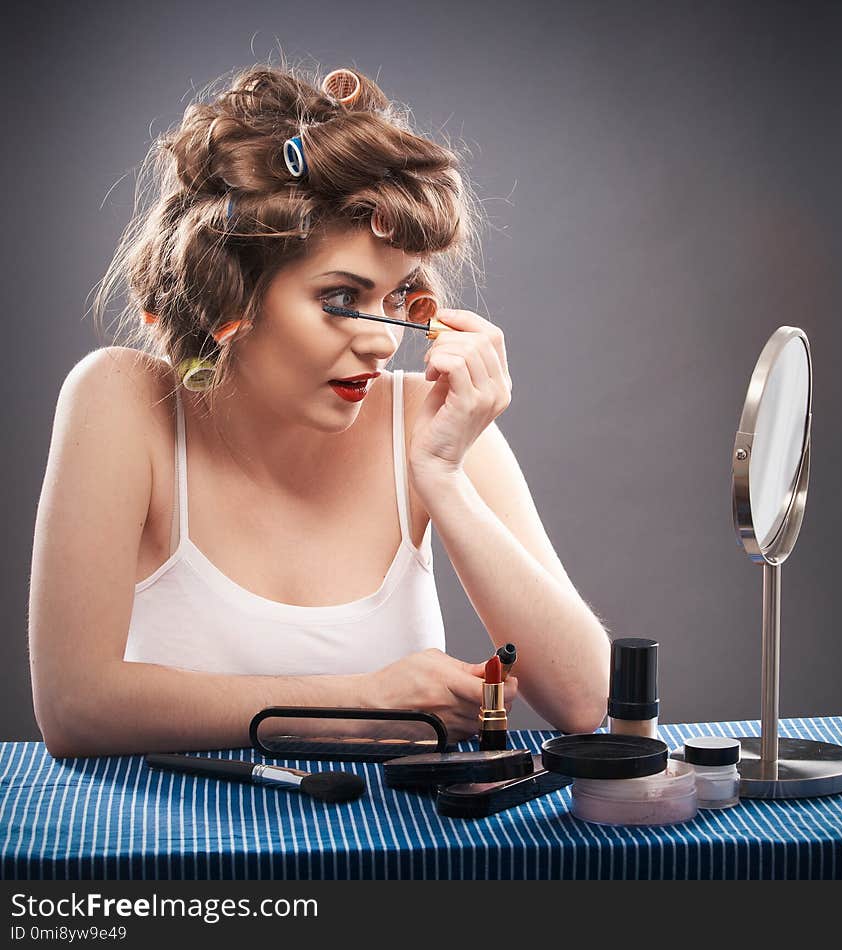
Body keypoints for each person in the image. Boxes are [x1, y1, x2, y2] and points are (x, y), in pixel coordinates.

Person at [28, 63, 611, 758]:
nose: (383, 338)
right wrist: (360, 704)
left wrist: (444, 479)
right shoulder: (127, 402)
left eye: (397, 299)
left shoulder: (427, 419)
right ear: (232, 293)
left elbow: (582, 699)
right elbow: (73, 709)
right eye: (341, 298)